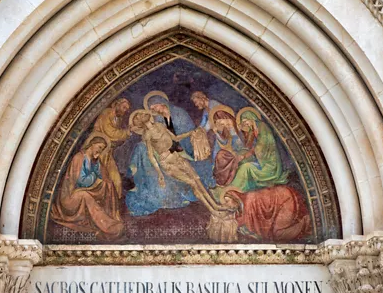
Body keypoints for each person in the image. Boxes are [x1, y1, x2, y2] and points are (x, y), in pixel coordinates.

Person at [128, 110, 236, 242]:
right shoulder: (147, 134)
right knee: (191, 182)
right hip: (166, 162)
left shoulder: (161, 126)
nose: (141, 115)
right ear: (139, 122)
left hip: (176, 156)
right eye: (138, 116)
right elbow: (151, 155)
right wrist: (160, 174)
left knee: (197, 179)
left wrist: (191, 133)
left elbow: (176, 139)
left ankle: (216, 205)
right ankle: (213, 211)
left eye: (141, 113)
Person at [50, 133, 124, 241]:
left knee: (107, 185)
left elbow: (102, 178)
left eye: (102, 149)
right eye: (99, 147)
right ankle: (106, 225)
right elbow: (81, 181)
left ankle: (110, 218)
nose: (100, 151)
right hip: (70, 197)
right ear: (92, 144)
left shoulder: (95, 161)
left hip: (83, 192)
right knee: (85, 195)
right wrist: (94, 175)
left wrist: (102, 177)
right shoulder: (79, 158)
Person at [226, 107, 289, 193]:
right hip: (261, 161)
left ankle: (235, 190)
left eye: (245, 121)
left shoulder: (262, 126)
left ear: (251, 118)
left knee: (246, 167)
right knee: (242, 163)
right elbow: (249, 146)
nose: (245, 124)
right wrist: (243, 156)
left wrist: (248, 154)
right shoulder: (253, 130)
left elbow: (263, 145)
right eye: (243, 123)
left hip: (270, 164)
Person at [222, 186, 311, 242]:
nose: (226, 205)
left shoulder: (249, 201)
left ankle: (305, 222)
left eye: (227, 201)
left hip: (285, 201)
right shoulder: (243, 204)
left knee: (278, 235)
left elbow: (249, 223)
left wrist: (229, 222)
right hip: (281, 200)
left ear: (235, 198)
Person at [93, 98, 131, 192]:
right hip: (98, 151)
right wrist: (126, 133)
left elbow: (116, 140)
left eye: (126, 109)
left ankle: (113, 205)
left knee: (116, 182)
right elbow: (110, 133)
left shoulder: (117, 119)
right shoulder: (107, 113)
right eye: (124, 107)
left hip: (108, 153)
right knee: (103, 181)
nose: (125, 110)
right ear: (117, 104)